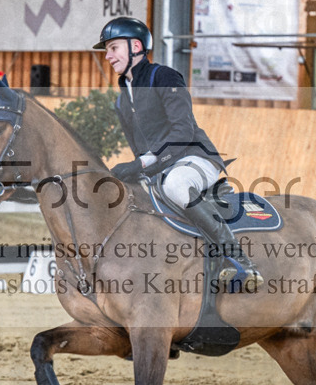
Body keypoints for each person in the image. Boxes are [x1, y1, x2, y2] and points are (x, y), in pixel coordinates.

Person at [93, 17, 263, 290]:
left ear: (135, 45)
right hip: (157, 168)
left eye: (113, 48)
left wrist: (142, 163)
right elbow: (139, 146)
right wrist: (135, 171)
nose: (108, 56)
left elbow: (182, 132)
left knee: (176, 185)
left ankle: (237, 260)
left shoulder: (164, 76)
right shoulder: (122, 97)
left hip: (193, 157)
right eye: (107, 50)